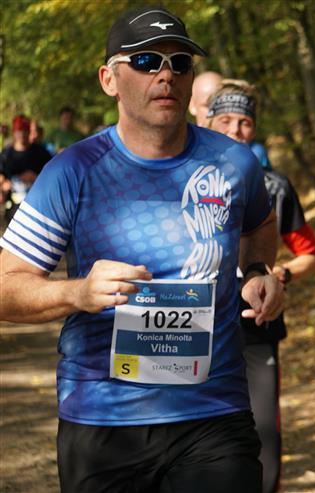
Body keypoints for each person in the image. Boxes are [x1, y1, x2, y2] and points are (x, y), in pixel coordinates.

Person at [0, 6, 285, 493]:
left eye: (180, 63)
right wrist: (77, 293)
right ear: (109, 79)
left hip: (214, 413)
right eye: (147, 61)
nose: (166, 75)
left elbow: (260, 224)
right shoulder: (74, 171)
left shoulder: (234, 163)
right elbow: (6, 288)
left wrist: (257, 269)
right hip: (103, 418)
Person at [205, 80, 315, 493]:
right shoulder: (181, 177)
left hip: (256, 324)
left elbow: (310, 253)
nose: (235, 130)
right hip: (196, 324)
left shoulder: (274, 185)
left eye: (245, 122)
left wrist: (280, 274)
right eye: (225, 120)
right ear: (207, 121)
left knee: (263, 433)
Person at [0, 114, 52, 222]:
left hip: (39, 209)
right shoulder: (6, 155)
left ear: (29, 132)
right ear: (14, 133)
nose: (22, 134)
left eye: (25, 130)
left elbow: (54, 176)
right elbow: (2, 177)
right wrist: (5, 184)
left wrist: (36, 178)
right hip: (12, 210)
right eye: (19, 131)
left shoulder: (41, 153)